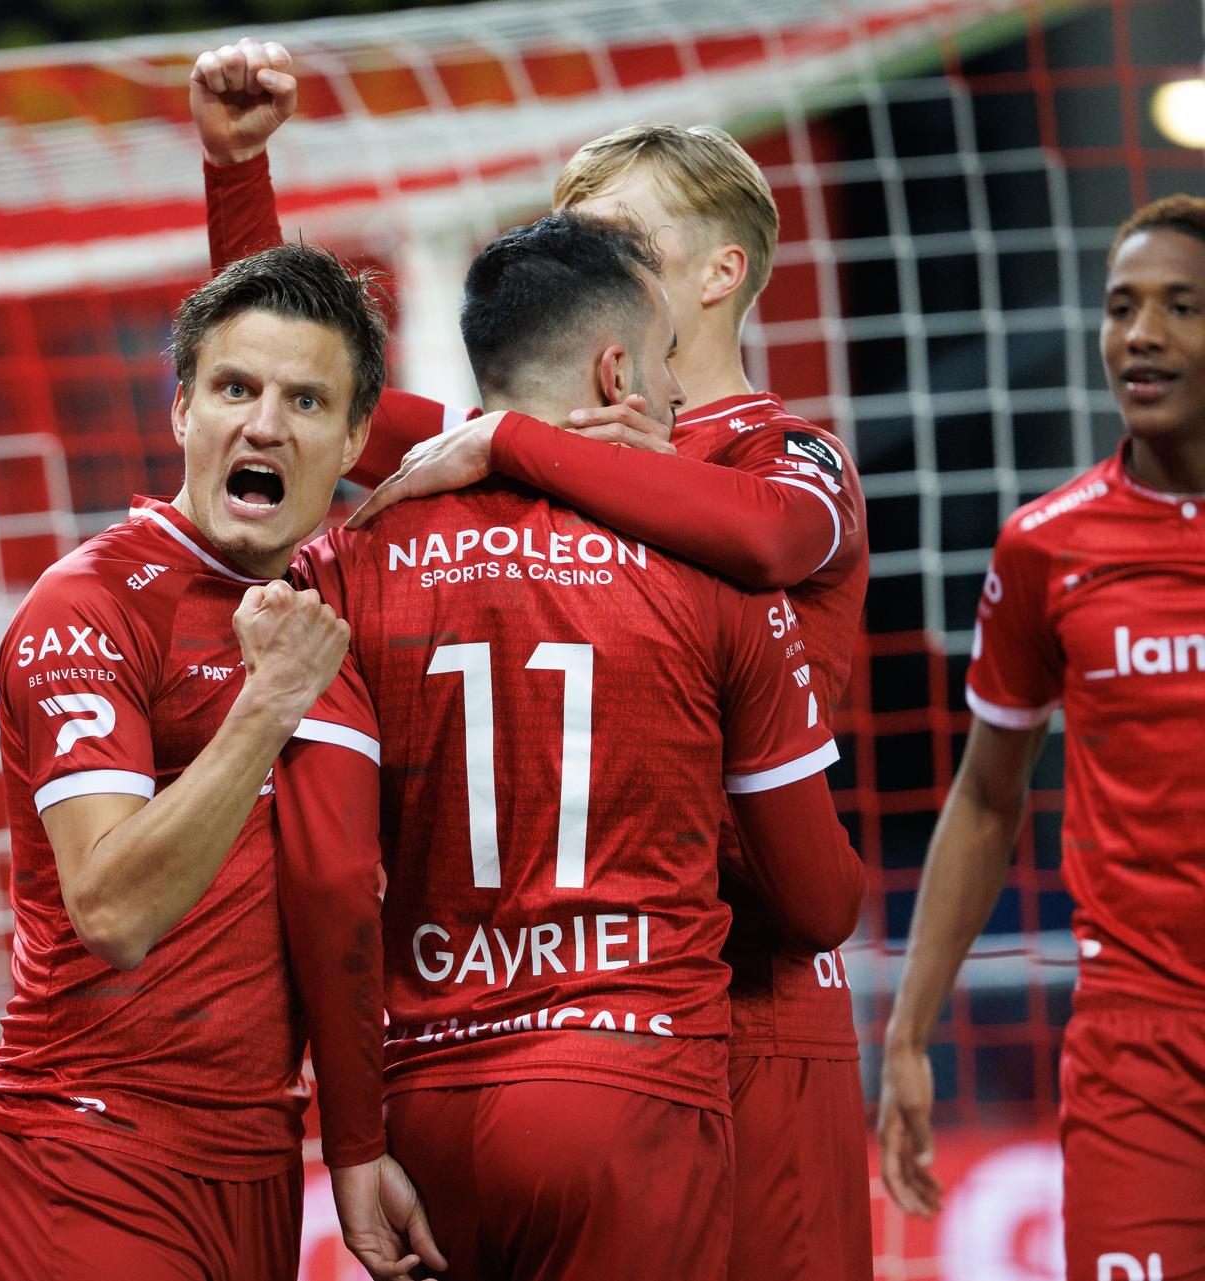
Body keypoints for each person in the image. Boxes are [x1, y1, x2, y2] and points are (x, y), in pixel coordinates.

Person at [191, 39, 874, 1277]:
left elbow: (769, 540)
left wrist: (515, 436)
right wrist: (238, 172)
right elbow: (307, 391)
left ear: (719, 273)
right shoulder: (512, 449)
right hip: (571, 1020)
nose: (583, 256)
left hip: (761, 1005)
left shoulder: (789, 458)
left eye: (616, 231)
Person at [0, 244, 441, 1280]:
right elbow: (114, 911)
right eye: (234, 388)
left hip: (254, 1166)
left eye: (306, 401)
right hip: (87, 1149)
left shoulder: (331, 600)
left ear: (357, 437)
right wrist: (268, 705)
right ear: (182, 412)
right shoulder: (89, 606)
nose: (264, 423)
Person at [878, 195, 1205, 1279]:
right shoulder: (1047, 549)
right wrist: (911, 1031)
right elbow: (983, 796)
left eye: (1179, 307)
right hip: (1140, 1044)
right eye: (1122, 308)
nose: (1140, 334)